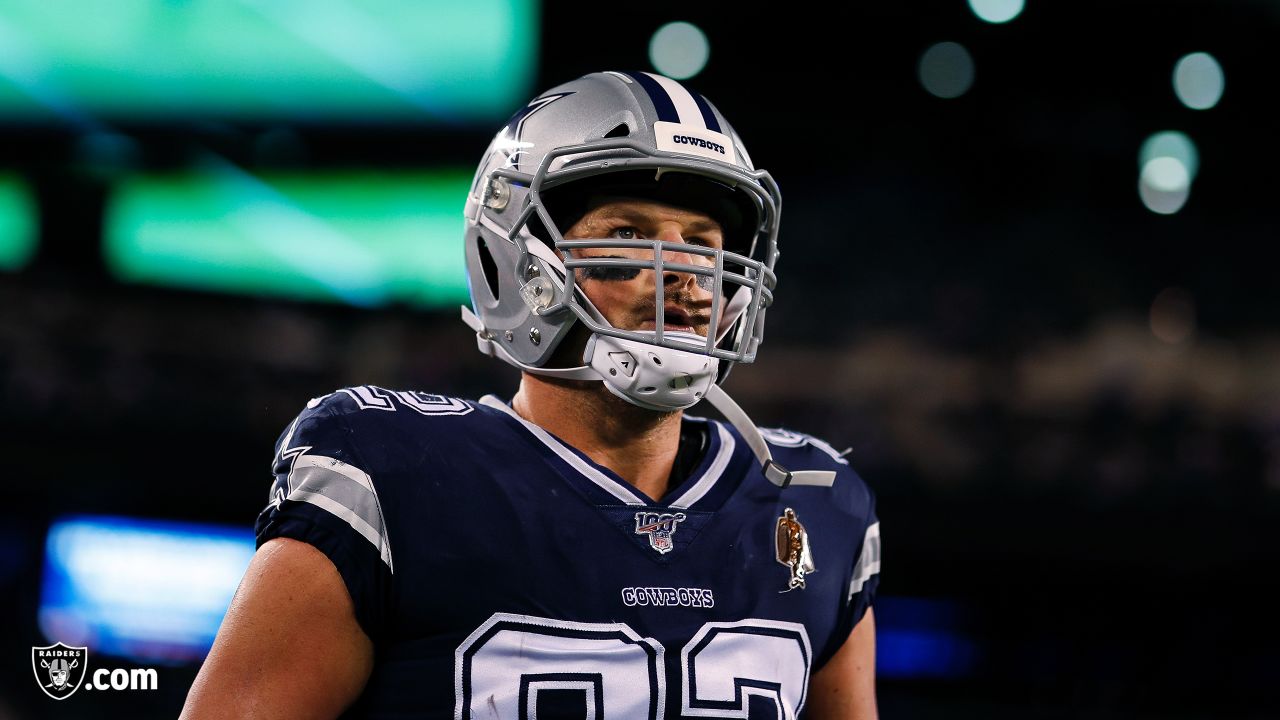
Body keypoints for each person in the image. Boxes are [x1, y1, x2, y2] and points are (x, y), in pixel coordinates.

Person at [181, 70, 881, 719]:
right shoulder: (394, 474)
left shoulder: (814, 502)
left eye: (702, 242)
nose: (685, 278)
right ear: (517, 264)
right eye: (628, 234)